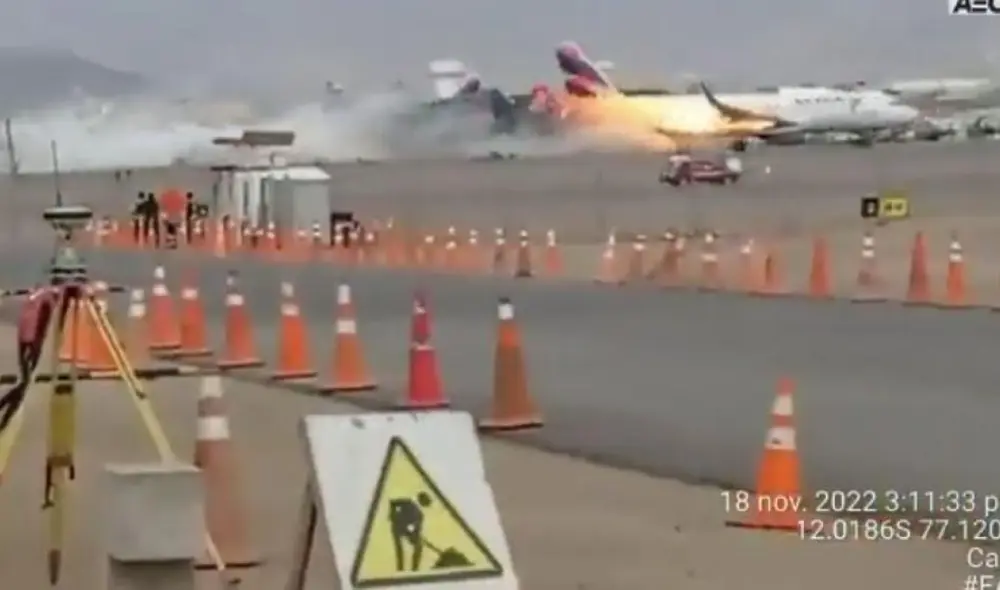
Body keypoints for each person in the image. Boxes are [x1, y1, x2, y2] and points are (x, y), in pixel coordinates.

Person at [0, 286, 57, 433]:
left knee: (24, 382)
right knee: (24, 383)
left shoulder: (38, 297)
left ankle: (4, 415)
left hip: (27, 341)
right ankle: (4, 418)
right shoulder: (45, 297)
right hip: (30, 342)